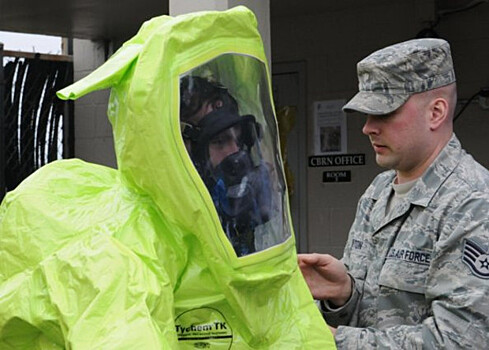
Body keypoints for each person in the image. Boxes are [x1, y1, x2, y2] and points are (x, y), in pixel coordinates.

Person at [299, 38, 489, 349]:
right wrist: (344, 292)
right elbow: (374, 311)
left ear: (436, 112)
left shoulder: (473, 203)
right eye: (366, 114)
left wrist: (331, 341)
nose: (368, 127)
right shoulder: (379, 191)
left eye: (384, 114)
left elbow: (461, 341)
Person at [180, 76, 273, 257]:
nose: (235, 152)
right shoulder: (159, 226)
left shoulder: (239, 222)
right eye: (220, 142)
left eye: (239, 140)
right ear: (185, 149)